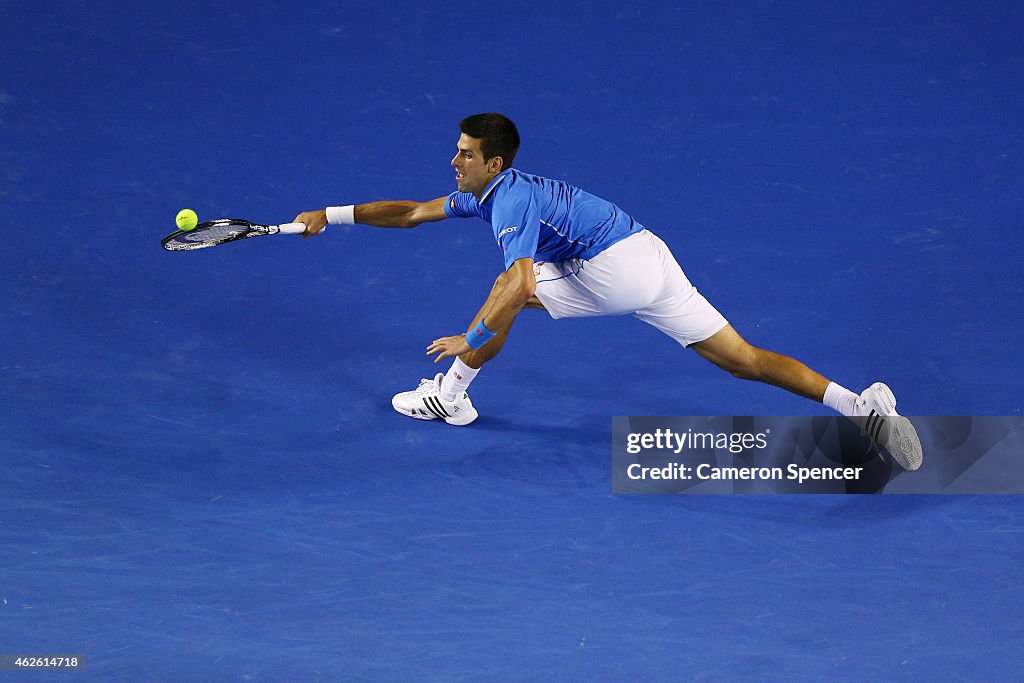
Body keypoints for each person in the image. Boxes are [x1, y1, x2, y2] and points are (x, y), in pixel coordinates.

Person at [294, 113, 923, 470]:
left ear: (495, 164)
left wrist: (473, 337)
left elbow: (516, 281)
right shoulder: (497, 189)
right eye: (455, 151)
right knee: (743, 360)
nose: (453, 162)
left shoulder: (510, 200)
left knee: (511, 291)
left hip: (611, 271)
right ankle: (857, 405)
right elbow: (411, 212)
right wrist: (334, 212)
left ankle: (451, 395)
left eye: (464, 155)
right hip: (648, 254)